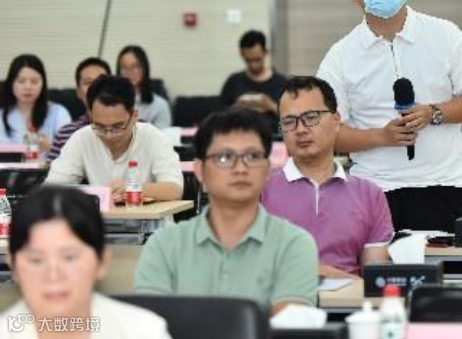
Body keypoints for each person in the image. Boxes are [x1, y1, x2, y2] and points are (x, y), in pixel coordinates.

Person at [317, 0, 462, 233]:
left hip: (445, 184)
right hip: (374, 189)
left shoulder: (445, 34)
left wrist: (433, 113)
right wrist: (381, 136)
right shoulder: (340, 56)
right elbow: (328, 134)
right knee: (376, 264)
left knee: (449, 263)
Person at [133, 107, 318, 315]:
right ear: (200, 171)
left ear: (267, 169)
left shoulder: (294, 244)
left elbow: (288, 328)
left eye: (252, 156)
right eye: (224, 157)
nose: (240, 168)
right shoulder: (164, 246)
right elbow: (151, 325)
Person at [261, 76, 393, 278]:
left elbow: (376, 281)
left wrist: (333, 278)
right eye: (289, 122)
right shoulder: (261, 189)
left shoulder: (369, 195)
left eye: (311, 117)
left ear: (336, 120)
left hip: (349, 297)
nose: (300, 129)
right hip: (281, 296)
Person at [0, 186, 171, 338]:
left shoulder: (144, 331)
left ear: (101, 261)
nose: (53, 274)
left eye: (69, 257)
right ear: (13, 266)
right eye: (36, 260)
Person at [45, 75, 183, 203]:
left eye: (117, 127)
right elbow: (50, 189)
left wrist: (134, 188)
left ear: (134, 116)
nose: (109, 135)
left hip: (150, 221)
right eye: (99, 126)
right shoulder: (81, 138)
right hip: (101, 220)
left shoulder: (154, 138)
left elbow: (175, 190)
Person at [219, 30, 289, 132]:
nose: (253, 65)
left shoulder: (281, 83)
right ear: (241, 54)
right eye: (248, 60)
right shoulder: (233, 82)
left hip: (273, 134)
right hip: (240, 134)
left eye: (257, 60)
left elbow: (292, 117)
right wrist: (236, 108)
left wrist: (270, 105)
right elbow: (219, 118)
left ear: (265, 52)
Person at [0, 54, 71, 153]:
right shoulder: (2, 115)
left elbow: (72, 152)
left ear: (43, 83)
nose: (28, 87)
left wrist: (51, 147)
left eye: (34, 81)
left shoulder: (58, 113)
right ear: (11, 83)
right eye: (21, 81)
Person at [46, 57, 111, 163]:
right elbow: (52, 172)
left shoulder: (130, 129)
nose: (95, 87)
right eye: (88, 82)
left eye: (101, 82)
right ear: (79, 92)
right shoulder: (65, 134)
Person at [116, 45, 172, 129]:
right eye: (124, 67)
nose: (129, 72)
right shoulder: (109, 102)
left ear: (144, 69)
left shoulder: (160, 105)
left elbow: (162, 135)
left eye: (135, 66)